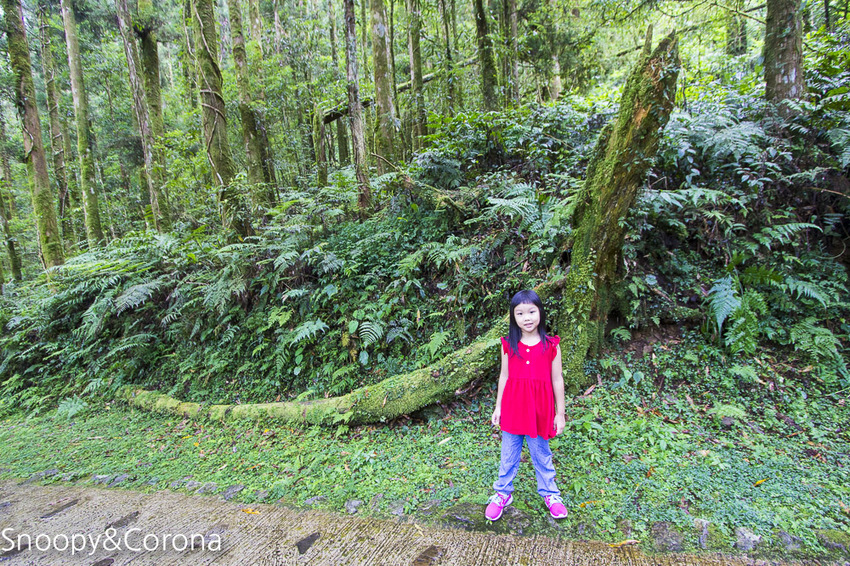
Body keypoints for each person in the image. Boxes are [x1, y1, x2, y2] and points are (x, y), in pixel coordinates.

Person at [486, 289, 568, 521]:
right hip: (513, 407)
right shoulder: (508, 345)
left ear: (540, 312)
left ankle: (551, 494)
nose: (527, 318)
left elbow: (557, 380)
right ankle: (502, 493)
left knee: (541, 453)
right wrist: (498, 406)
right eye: (520, 313)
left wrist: (560, 414)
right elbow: (504, 376)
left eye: (532, 311)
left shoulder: (551, 345)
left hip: (540, 411)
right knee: (509, 454)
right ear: (513, 317)